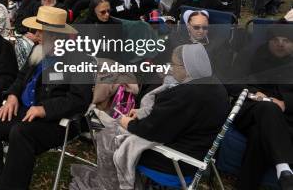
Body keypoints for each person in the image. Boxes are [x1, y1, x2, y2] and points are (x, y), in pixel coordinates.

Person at [73, 44, 229, 189]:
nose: (172, 69)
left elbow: (153, 130)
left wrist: (128, 122)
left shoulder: (189, 94)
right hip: (195, 150)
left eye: (174, 65)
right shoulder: (213, 85)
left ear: (188, 68)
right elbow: (173, 119)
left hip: (176, 163)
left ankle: (110, 185)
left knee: (109, 138)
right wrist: (142, 113)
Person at [0, 6, 93, 190]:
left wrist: (44, 109)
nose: (34, 35)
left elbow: (79, 100)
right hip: (25, 110)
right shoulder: (38, 50)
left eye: (39, 31)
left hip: (54, 121)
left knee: (20, 133)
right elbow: (21, 78)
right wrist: (13, 95)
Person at [231, 25, 293, 190]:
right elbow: (232, 83)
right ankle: (283, 167)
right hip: (251, 109)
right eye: (275, 40)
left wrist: (285, 103)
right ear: (268, 42)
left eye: (286, 41)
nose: (280, 44)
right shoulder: (251, 55)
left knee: (259, 135)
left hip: (285, 116)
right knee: (268, 108)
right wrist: (254, 93)